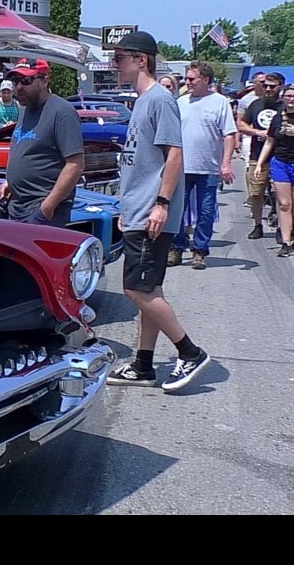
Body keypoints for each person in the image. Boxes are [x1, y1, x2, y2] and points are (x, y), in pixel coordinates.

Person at [104, 31, 210, 393]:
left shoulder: (161, 100)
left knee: (136, 289)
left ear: (141, 60)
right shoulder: (143, 101)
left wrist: (161, 205)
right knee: (151, 287)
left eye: (119, 58)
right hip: (138, 209)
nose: (113, 65)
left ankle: (189, 351)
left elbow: (175, 155)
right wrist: (127, 205)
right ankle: (143, 365)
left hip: (152, 211)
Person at [0, 58, 85, 228]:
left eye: (26, 81)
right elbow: (26, 150)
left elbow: (75, 165)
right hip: (16, 207)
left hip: (43, 211)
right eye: (15, 81)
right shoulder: (25, 110)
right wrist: (9, 182)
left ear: (44, 81)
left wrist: (47, 207)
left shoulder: (62, 112)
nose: (19, 87)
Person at [167, 61, 237, 270]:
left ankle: (200, 251)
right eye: (187, 78)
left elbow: (229, 135)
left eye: (191, 79)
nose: (187, 82)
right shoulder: (181, 101)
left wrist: (226, 163)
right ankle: (176, 248)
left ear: (205, 80)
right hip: (182, 168)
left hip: (208, 169)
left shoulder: (220, 102)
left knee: (205, 212)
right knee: (177, 210)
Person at [238, 72, 286, 240]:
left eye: (272, 86)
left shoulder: (285, 107)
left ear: (280, 87)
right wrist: (258, 132)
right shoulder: (256, 104)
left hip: (281, 156)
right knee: (256, 193)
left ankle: (282, 228)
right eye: (265, 85)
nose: (267, 89)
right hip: (257, 154)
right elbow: (241, 124)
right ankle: (257, 224)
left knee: (280, 195)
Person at [255, 83, 294, 256]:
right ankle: (286, 242)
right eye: (288, 96)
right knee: (284, 204)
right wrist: (259, 163)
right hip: (280, 162)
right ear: (283, 97)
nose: (291, 100)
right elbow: (270, 141)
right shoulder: (278, 117)